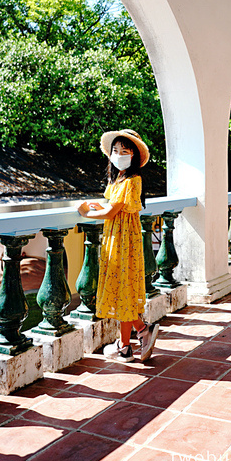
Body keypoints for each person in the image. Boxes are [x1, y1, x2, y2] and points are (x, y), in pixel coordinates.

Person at [77, 129, 159, 362]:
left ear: (134, 156)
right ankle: (129, 341)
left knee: (123, 287)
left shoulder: (134, 180)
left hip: (125, 240)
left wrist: (86, 213)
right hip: (115, 237)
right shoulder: (117, 179)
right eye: (116, 150)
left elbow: (113, 211)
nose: (119, 154)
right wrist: (98, 205)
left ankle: (135, 336)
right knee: (122, 289)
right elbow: (111, 205)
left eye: (125, 151)